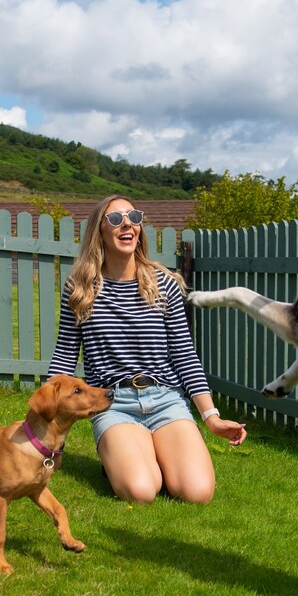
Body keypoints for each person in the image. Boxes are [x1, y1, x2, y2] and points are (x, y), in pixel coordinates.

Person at [47, 195, 247, 504]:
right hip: (113, 402)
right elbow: (64, 353)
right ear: (99, 231)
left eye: (134, 217)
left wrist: (211, 417)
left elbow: (184, 354)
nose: (127, 224)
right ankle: (125, 456)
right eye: (115, 219)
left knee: (198, 493)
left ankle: (151, 452)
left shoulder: (163, 283)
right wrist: (46, 417)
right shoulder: (80, 287)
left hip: (166, 398)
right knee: (141, 491)